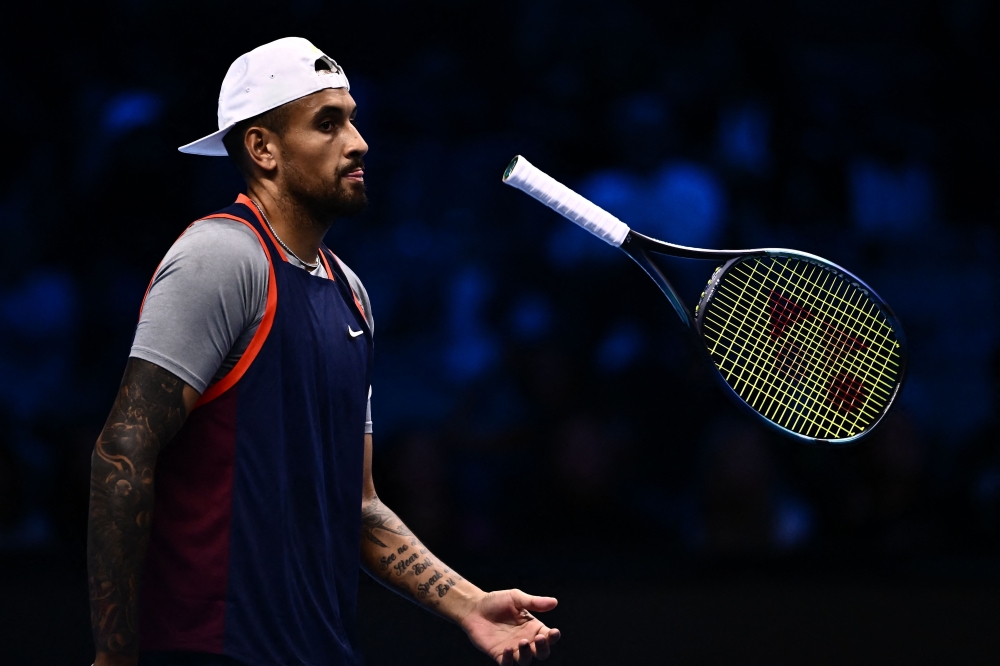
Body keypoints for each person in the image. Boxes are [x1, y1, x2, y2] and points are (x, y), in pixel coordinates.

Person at [87, 37, 560, 666]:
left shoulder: (352, 295)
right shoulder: (221, 258)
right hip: (214, 652)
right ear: (262, 148)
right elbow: (122, 454)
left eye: (353, 119)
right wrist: (113, 659)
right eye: (328, 123)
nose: (358, 142)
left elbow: (357, 506)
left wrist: (469, 604)